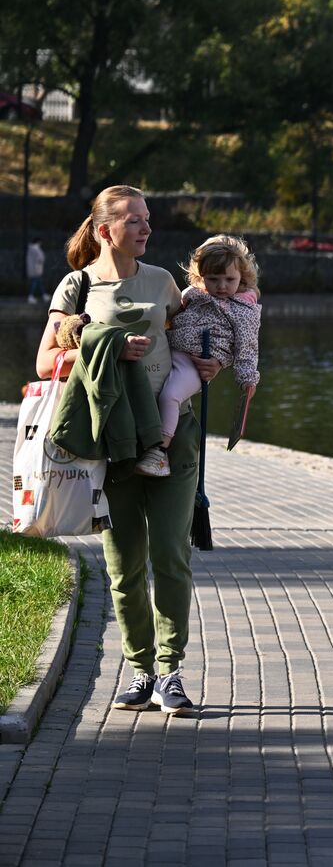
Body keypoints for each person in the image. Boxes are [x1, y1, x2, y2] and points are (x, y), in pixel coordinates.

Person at [34, 185, 220, 716]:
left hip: (172, 435)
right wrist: (106, 345)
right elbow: (46, 363)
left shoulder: (163, 282)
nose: (146, 229)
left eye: (147, 220)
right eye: (134, 221)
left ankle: (171, 671)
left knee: (170, 554)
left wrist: (210, 364)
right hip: (109, 440)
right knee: (125, 566)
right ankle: (138, 670)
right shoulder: (77, 287)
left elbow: (193, 340)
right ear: (104, 230)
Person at [136, 235, 261, 478]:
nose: (221, 286)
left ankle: (159, 453)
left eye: (229, 279)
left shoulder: (244, 311)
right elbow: (172, 316)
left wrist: (248, 379)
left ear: (242, 278)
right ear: (201, 277)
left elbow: (247, 349)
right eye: (213, 279)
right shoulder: (193, 294)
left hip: (196, 363)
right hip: (170, 349)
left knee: (170, 396)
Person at [26, 237, 46, 303]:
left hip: (35, 268)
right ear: (38, 242)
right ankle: (31, 296)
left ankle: (44, 295)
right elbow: (40, 258)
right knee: (35, 282)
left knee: (39, 282)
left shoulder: (32, 249)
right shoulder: (35, 249)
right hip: (35, 269)